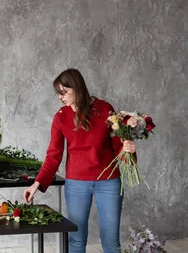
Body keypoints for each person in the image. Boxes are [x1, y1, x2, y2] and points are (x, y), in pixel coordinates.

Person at [23, 68, 136, 253]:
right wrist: (37, 183)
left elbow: (118, 147)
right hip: (76, 184)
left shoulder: (105, 109)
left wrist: (129, 151)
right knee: (76, 241)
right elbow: (54, 155)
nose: (61, 97)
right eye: (59, 93)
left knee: (111, 243)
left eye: (64, 92)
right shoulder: (61, 116)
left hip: (109, 182)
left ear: (77, 88)